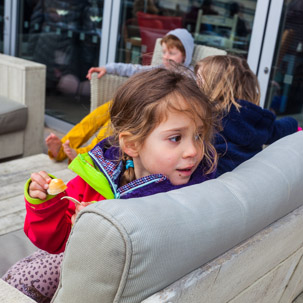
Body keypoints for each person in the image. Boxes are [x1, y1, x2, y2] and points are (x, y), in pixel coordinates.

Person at [3, 67, 218, 303]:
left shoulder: (191, 198)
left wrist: (94, 234)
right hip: (61, 270)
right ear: (132, 145)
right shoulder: (98, 175)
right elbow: (54, 242)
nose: (193, 151)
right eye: (176, 138)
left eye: (198, 135)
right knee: (22, 281)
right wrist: (46, 205)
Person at [46, 28, 195, 162]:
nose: (166, 57)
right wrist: (107, 68)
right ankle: (63, 148)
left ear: (185, 55)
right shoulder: (159, 68)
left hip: (142, 111)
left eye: (172, 53)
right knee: (94, 117)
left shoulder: (189, 77)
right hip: (129, 102)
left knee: (110, 126)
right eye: (164, 52)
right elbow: (132, 69)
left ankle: (85, 156)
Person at [195, 54, 299, 177]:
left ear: (215, 87)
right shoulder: (255, 120)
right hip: (245, 180)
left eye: (199, 81)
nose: (194, 85)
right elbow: (280, 128)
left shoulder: (210, 118)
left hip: (210, 181)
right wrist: (295, 125)